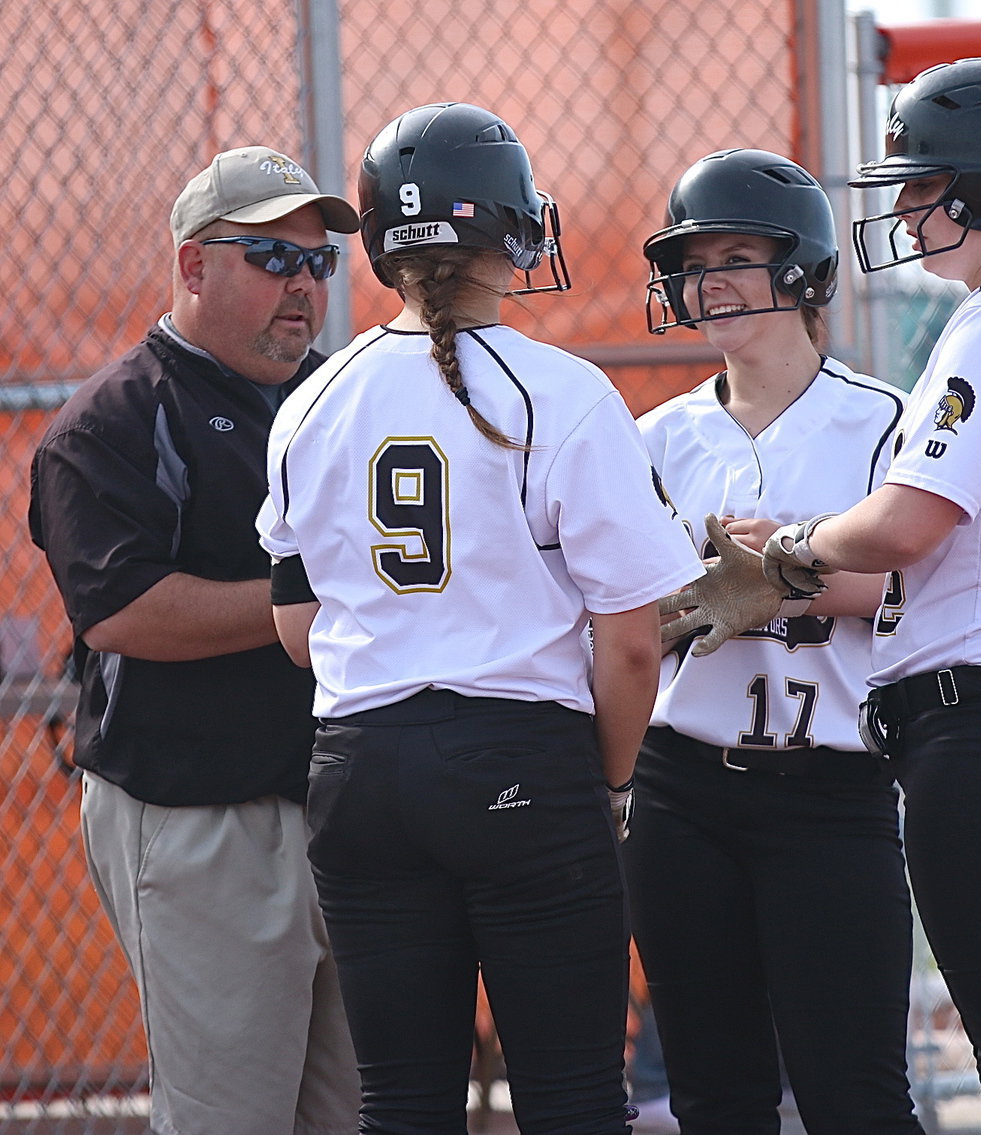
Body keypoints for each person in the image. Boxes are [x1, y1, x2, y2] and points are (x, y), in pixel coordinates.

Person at [669, 59, 981, 1135]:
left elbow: (902, 525)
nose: (904, 207)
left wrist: (785, 549)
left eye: (927, 182)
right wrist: (793, 574)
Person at [255, 102, 702, 1135]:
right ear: (513, 230)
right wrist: (612, 778)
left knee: (402, 1104)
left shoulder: (313, 402)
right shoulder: (565, 392)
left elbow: (296, 627)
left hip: (358, 764)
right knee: (576, 1101)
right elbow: (631, 643)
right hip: (520, 753)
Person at [28, 146, 362, 1135]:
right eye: (270, 256)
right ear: (192, 266)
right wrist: (307, 602)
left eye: (318, 262)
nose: (302, 284)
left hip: (342, 803)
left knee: (353, 1112)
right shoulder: (115, 419)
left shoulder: (341, 399)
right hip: (201, 815)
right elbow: (122, 610)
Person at [627, 148, 925, 1135]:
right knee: (715, 1096)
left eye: (737, 256)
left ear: (801, 269)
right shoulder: (658, 437)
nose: (707, 283)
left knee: (857, 1096)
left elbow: (911, 585)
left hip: (831, 794)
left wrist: (789, 575)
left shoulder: (881, 420)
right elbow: (621, 610)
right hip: (683, 792)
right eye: (692, 261)